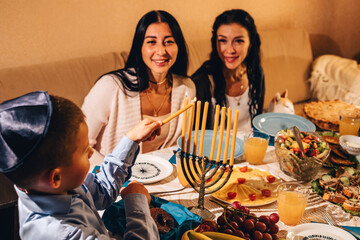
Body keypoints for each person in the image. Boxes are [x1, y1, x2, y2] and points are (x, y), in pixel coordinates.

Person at [0, 91, 162, 240]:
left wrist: (130, 140)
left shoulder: (50, 186)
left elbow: (101, 191)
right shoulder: (62, 234)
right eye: (84, 151)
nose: (91, 152)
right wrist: (137, 205)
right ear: (56, 178)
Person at [82, 10, 195, 159]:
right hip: (111, 178)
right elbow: (80, 147)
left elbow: (178, 148)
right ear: (139, 47)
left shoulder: (186, 89)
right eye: (151, 42)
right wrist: (112, 174)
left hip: (163, 176)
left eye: (168, 42)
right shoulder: (110, 86)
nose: (161, 51)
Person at [191, 9, 264, 132]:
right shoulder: (202, 82)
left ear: (250, 43)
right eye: (223, 41)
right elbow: (196, 136)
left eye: (238, 41)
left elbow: (258, 121)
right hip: (216, 150)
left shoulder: (256, 72)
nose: (230, 50)